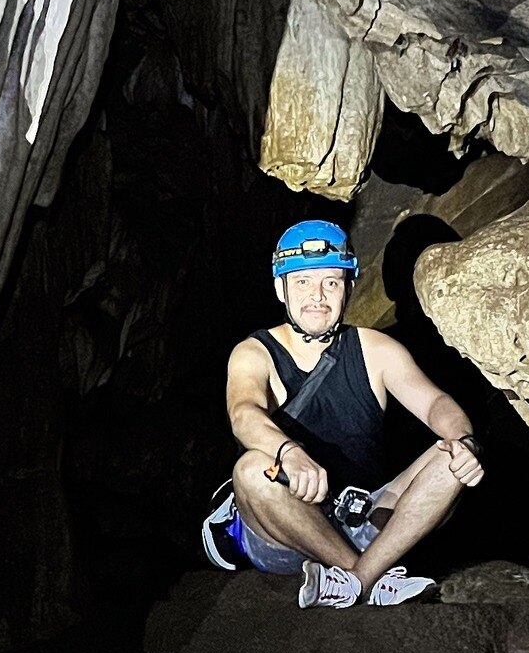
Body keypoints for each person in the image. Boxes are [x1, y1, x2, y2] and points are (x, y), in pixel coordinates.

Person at [202, 219, 485, 607]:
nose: (317, 295)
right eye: (302, 281)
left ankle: (356, 581)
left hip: (363, 514)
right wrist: (289, 452)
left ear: (349, 287)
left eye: (331, 282)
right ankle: (373, 577)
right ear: (280, 288)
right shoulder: (255, 353)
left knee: (451, 459)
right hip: (286, 529)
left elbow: (436, 404)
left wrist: (464, 442)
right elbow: (244, 412)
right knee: (251, 470)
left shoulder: (377, 350)